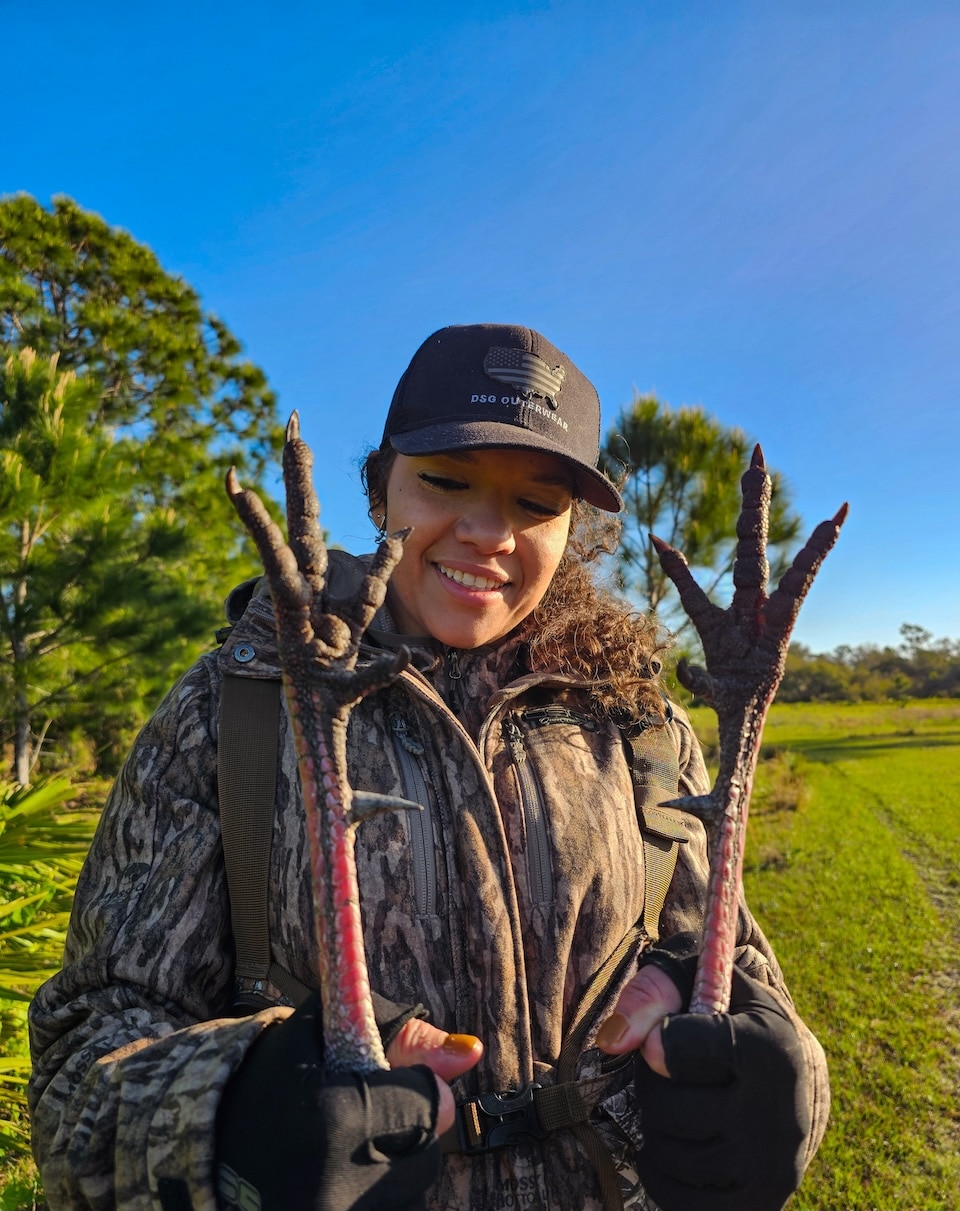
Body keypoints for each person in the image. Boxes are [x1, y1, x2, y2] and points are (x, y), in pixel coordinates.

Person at [29, 324, 829, 1211]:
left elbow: (742, 977)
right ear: (381, 491)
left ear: (575, 530)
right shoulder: (232, 711)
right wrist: (231, 1119)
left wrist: (782, 1087)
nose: (488, 532)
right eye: (446, 483)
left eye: (536, 504)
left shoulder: (639, 723)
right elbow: (82, 1059)